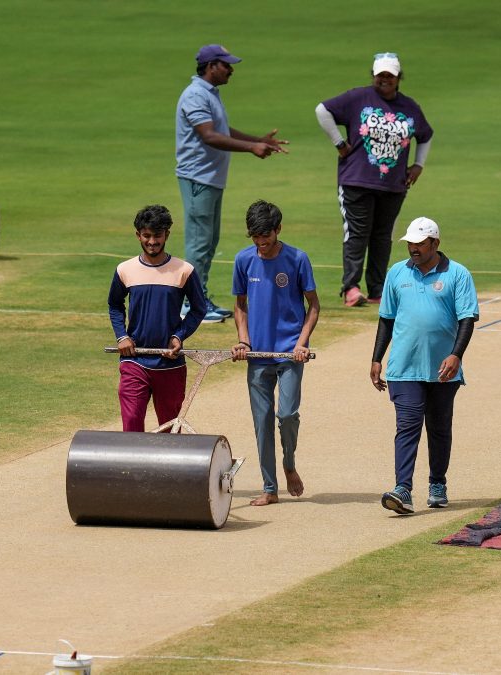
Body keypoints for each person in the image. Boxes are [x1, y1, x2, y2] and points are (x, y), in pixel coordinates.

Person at [369, 217, 478, 514]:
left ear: (435, 244)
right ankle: (403, 489)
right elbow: (387, 318)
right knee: (407, 425)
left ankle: (437, 483)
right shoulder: (397, 273)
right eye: (410, 244)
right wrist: (377, 357)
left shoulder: (458, 274)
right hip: (404, 367)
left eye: (420, 243)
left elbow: (467, 318)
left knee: (439, 428)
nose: (414, 249)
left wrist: (456, 355)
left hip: (443, 370)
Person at [176, 43, 289, 324]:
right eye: (226, 64)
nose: (231, 70)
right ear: (211, 66)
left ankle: (198, 299)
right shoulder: (195, 95)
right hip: (197, 177)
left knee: (209, 240)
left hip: (209, 177)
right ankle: (191, 304)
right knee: (199, 242)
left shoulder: (209, 94)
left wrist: (257, 141)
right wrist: (251, 149)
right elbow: (209, 136)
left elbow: (221, 131)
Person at [315, 52, 434, 307]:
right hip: (356, 180)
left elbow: (425, 135)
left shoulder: (410, 107)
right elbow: (322, 110)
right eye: (380, 75)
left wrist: (418, 165)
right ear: (373, 76)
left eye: (390, 75)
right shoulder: (357, 97)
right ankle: (351, 288)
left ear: (398, 77)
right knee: (357, 234)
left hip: (393, 185)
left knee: (382, 237)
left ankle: (378, 289)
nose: (385, 79)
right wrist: (339, 142)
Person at [230, 200, 319, 506]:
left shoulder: (297, 259)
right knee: (262, 421)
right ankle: (270, 488)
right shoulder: (243, 260)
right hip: (257, 358)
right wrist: (243, 341)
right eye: (255, 238)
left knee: (287, 414)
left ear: (278, 230)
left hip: (290, 354)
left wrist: (302, 343)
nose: (261, 244)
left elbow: (314, 306)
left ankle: (289, 464)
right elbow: (240, 306)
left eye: (266, 238)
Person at [109, 204, 209, 432]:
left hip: (170, 365)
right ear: (138, 235)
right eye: (146, 235)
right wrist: (121, 336)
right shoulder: (125, 269)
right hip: (135, 360)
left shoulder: (184, 270)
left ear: (167, 235)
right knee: (132, 422)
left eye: (157, 235)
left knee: (169, 429)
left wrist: (179, 336)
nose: (152, 241)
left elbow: (198, 308)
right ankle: (132, 469)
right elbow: (115, 305)